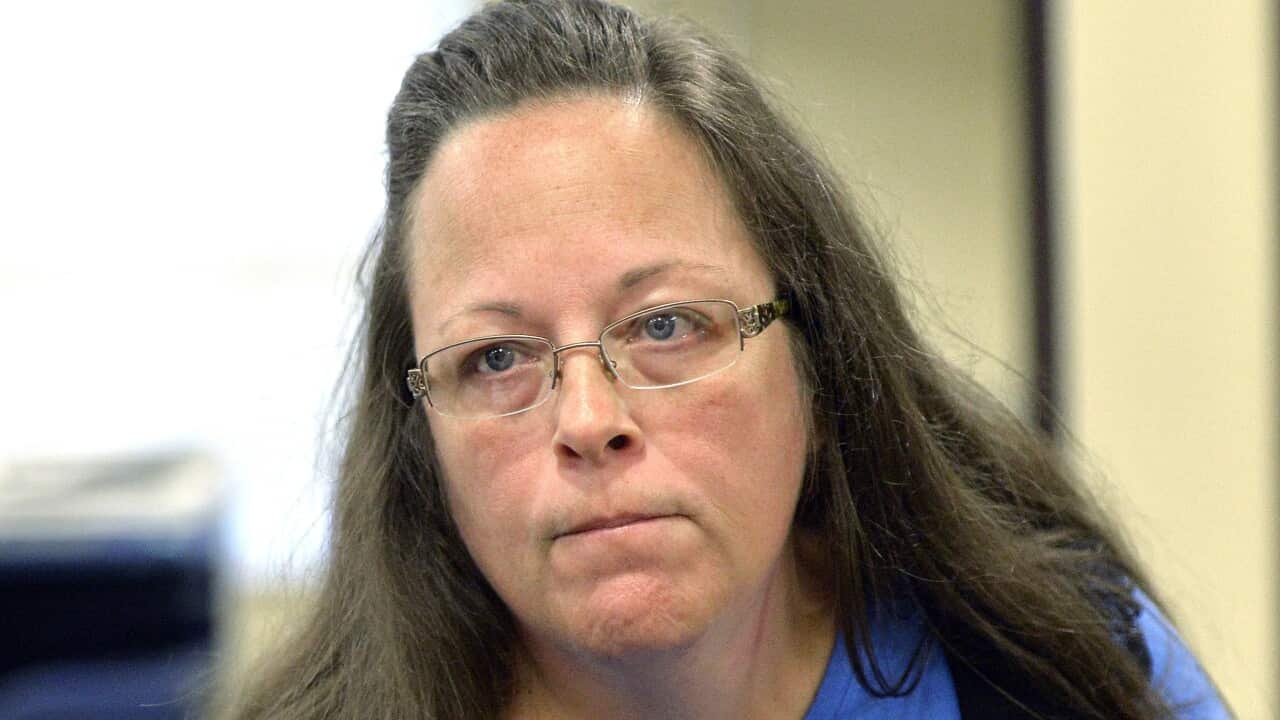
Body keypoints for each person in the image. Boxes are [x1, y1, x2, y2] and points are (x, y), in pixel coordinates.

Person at [226, 1, 1231, 718]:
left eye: (665, 326)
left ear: (816, 360)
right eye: (495, 358)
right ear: (420, 439)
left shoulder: (1057, 661)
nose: (587, 421)